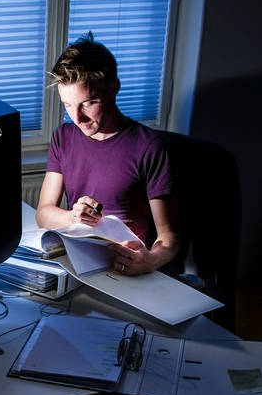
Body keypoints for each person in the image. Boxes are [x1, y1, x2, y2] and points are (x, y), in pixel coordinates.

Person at [35, 33, 181, 276]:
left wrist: (150, 261)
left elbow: (169, 236)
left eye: (88, 103)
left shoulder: (149, 146)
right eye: (68, 105)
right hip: (80, 259)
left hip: (124, 264)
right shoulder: (63, 137)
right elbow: (43, 213)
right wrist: (73, 216)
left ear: (114, 88)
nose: (77, 117)